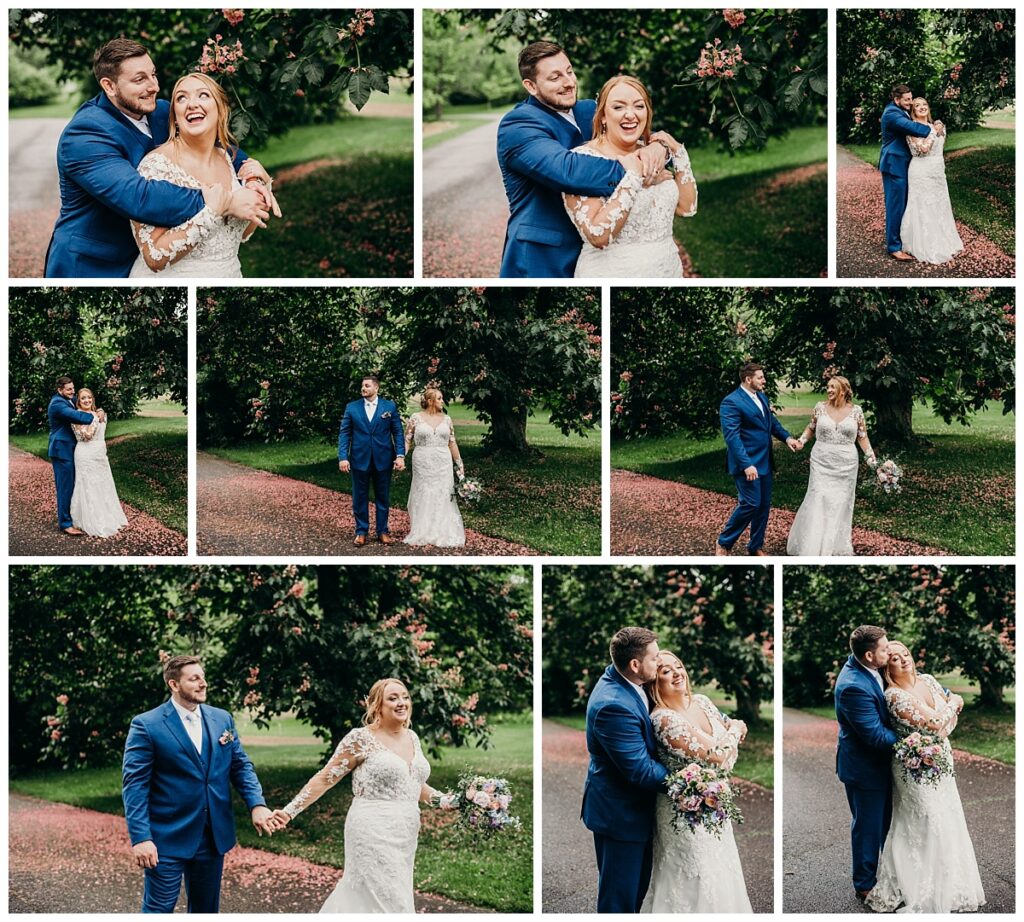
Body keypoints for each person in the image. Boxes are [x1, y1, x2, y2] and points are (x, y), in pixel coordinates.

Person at [45, 38, 275, 278]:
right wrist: (223, 201)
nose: (154, 86)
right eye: (140, 79)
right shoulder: (84, 134)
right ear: (109, 86)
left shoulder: (161, 111)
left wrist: (250, 173)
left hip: (158, 254)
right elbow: (139, 196)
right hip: (93, 265)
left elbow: (214, 145)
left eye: (153, 75)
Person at [269, 679, 457, 912]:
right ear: (377, 705)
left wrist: (449, 801)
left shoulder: (412, 737)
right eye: (393, 698)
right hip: (372, 829)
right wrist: (289, 812)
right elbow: (324, 778)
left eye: (405, 697)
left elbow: (413, 784)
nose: (401, 703)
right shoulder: (360, 739)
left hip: (406, 832)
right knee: (382, 901)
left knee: (394, 895)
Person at [496, 41, 668, 278]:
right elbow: (567, 170)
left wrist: (659, 146)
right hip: (543, 258)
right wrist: (637, 170)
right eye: (555, 77)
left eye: (569, 71)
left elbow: (634, 129)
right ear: (531, 86)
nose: (568, 82)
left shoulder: (588, 110)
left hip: (598, 256)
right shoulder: (517, 125)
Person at [122, 655, 278, 913]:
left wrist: (257, 804)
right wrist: (141, 838)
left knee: (206, 911)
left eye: (203, 677)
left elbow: (240, 766)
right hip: (166, 838)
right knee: (158, 910)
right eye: (194, 678)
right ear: (174, 684)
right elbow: (135, 786)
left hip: (213, 836)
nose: (203, 683)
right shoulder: (146, 725)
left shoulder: (222, 719)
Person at [865, 642, 983, 913]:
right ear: (887, 666)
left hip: (942, 758)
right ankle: (917, 883)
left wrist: (943, 722)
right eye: (894, 658)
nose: (904, 660)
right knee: (924, 818)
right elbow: (933, 723)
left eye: (905, 654)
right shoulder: (893, 696)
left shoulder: (929, 680)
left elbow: (944, 726)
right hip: (912, 767)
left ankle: (951, 882)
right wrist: (954, 702)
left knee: (948, 815)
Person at [641, 652, 752, 913]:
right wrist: (735, 729)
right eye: (666, 671)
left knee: (722, 872)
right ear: (654, 682)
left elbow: (725, 751)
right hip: (683, 815)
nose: (677, 672)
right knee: (695, 876)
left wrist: (728, 739)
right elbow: (719, 758)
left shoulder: (702, 702)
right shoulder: (664, 720)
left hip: (715, 807)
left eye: (679, 665)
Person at [129, 73, 263, 277]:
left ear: (221, 109)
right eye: (181, 98)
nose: (191, 104)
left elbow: (241, 233)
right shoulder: (156, 166)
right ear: (175, 117)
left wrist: (259, 189)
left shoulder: (228, 158)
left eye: (203, 95)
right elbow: (153, 256)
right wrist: (213, 212)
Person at [563, 75, 697, 277]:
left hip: (667, 270)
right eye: (618, 107)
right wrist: (634, 176)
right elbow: (598, 236)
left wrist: (677, 150)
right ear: (603, 116)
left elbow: (688, 208)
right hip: (613, 274)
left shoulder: (653, 153)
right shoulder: (581, 161)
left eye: (638, 106)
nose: (630, 115)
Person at [582, 626, 668, 913]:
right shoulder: (613, 705)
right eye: (655, 658)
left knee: (636, 892)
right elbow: (640, 770)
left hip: (633, 811)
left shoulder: (630, 682)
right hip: (621, 816)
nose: (660, 663)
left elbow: (677, 706)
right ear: (635, 664)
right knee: (619, 902)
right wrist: (693, 783)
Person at [833, 625, 899, 903]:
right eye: (885, 648)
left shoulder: (873, 667)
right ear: (870, 655)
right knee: (869, 827)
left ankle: (894, 873)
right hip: (865, 769)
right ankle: (864, 884)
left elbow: (909, 684)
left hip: (882, 765)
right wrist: (912, 737)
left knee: (890, 823)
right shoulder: (852, 687)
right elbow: (874, 735)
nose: (890, 651)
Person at [717, 362, 801, 556]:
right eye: (760, 377)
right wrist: (747, 464)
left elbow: (771, 424)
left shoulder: (761, 397)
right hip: (746, 463)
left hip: (765, 461)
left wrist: (787, 438)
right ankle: (724, 543)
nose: (764, 380)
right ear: (748, 379)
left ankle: (755, 547)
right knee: (750, 503)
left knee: (763, 505)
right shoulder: (731, 402)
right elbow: (732, 437)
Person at [786, 376, 877, 556]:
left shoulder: (856, 411)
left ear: (843, 390)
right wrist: (802, 441)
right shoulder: (820, 408)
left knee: (840, 503)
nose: (828, 390)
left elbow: (862, 436)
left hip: (847, 465)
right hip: (821, 461)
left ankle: (833, 547)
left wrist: (872, 459)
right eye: (828, 387)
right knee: (818, 497)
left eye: (832, 387)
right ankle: (812, 546)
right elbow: (811, 427)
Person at [337, 375, 405, 546]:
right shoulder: (352, 408)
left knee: (382, 497)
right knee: (359, 497)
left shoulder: (389, 406)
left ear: (376, 388)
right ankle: (361, 531)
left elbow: (397, 432)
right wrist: (343, 457)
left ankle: (382, 531)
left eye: (367, 386)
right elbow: (345, 433)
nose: (363, 388)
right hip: (359, 458)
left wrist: (400, 455)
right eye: (362, 386)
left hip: (383, 458)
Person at [899, 97, 964, 265]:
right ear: (913, 111)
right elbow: (923, 150)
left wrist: (939, 129)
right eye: (917, 106)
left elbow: (939, 146)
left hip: (937, 172)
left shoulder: (936, 125)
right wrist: (934, 131)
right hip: (921, 171)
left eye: (924, 104)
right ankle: (925, 244)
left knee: (939, 204)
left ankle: (944, 240)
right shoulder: (913, 128)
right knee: (923, 205)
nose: (922, 107)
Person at [403, 386, 466, 547]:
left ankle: (442, 530)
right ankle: (422, 530)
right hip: (422, 460)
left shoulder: (447, 419)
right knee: (423, 491)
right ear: (430, 401)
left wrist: (459, 464)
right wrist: (400, 458)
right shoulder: (415, 418)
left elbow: (452, 443)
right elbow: (407, 440)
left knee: (443, 493)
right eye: (439, 398)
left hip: (443, 461)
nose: (442, 401)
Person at [879, 84, 934, 261]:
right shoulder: (891, 114)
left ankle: (902, 240)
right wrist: (935, 128)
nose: (910, 103)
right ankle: (894, 248)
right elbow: (914, 128)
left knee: (903, 204)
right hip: (894, 164)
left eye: (911, 99)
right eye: (907, 100)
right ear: (897, 100)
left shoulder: (900, 110)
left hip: (903, 163)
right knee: (895, 206)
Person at [46, 375, 103, 536]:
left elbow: (84, 403)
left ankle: (74, 517)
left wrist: (99, 409)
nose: (73, 392)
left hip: (71, 449)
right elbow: (76, 416)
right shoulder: (57, 404)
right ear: (60, 390)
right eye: (69, 389)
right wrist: (95, 416)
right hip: (61, 449)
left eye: (73, 388)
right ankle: (65, 524)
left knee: (73, 485)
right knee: (65, 487)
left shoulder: (69, 399)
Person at [69, 387, 128, 537]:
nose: (87, 400)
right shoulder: (77, 417)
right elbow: (87, 436)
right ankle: (89, 519)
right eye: (83, 398)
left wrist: (98, 414)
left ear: (92, 399)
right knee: (88, 485)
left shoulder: (99, 413)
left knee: (103, 484)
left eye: (89, 397)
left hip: (100, 455)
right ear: (78, 402)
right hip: (85, 454)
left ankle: (107, 515)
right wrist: (95, 418)